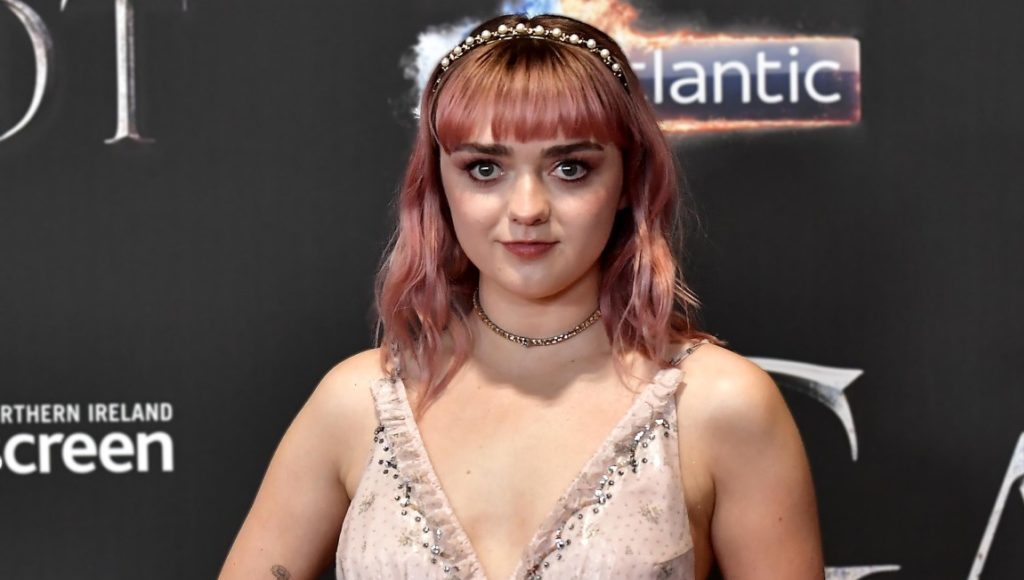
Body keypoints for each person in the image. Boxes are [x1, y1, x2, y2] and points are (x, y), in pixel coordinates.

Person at [219, 12, 823, 580]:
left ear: (627, 181)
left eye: (570, 168)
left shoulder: (721, 405)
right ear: (439, 183)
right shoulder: (356, 403)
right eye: (485, 168)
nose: (528, 209)